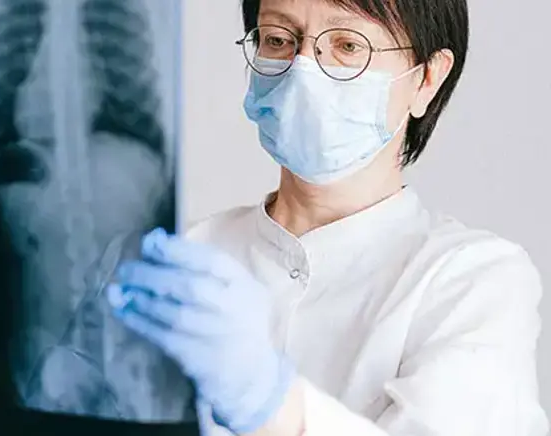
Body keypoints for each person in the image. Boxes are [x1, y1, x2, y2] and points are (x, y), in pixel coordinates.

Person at [106, 0, 549, 435]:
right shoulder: (184, 259)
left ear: (428, 79)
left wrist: (268, 402)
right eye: (279, 39)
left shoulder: (475, 281)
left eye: (348, 46)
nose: (304, 71)